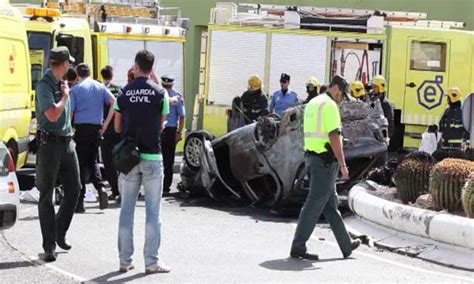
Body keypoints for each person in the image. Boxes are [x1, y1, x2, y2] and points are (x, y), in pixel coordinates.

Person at [290, 75, 361, 260]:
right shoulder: (330, 106)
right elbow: (334, 137)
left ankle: (346, 245)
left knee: (330, 205)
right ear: (336, 88)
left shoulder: (314, 102)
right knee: (314, 203)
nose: (342, 99)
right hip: (325, 162)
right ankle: (298, 246)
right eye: (343, 95)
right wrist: (343, 165)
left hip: (312, 158)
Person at [114, 50, 171, 274]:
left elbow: (117, 127)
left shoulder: (124, 92)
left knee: (126, 210)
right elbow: (161, 125)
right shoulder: (160, 93)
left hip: (129, 158)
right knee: (153, 212)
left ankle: (124, 260)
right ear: (152, 68)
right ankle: (151, 262)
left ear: (136, 66)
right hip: (152, 157)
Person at [35, 47, 81, 262]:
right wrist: (64, 96)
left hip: (66, 142)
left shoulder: (63, 83)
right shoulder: (45, 85)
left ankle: (59, 231)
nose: (70, 67)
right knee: (46, 196)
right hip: (49, 144)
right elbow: (53, 115)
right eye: (69, 63)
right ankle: (49, 246)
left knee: (75, 189)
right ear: (63, 64)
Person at [70, 63, 116, 213]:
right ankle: (100, 187)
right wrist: (106, 124)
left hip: (81, 129)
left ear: (77, 74)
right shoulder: (100, 87)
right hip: (97, 129)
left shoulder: (75, 89)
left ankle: (80, 201)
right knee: (93, 160)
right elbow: (114, 102)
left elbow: (71, 112)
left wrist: (69, 130)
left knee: (81, 164)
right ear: (89, 73)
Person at [161, 75, 185, 196]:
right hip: (169, 130)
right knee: (168, 160)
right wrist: (179, 132)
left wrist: (179, 132)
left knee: (166, 160)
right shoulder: (177, 97)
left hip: (164, 130)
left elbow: (182, 116)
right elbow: (182, 116)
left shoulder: (161, 94)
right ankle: (165, 187)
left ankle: (165, 187)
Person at [100, 65, 122, 202]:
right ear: (112, 75)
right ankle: (123, 189)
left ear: (102, 76)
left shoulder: (102, 89)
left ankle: (115, 190)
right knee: (121, 161)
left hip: (106, 131)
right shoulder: (119, 89)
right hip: (119, 130)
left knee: (109, 163)